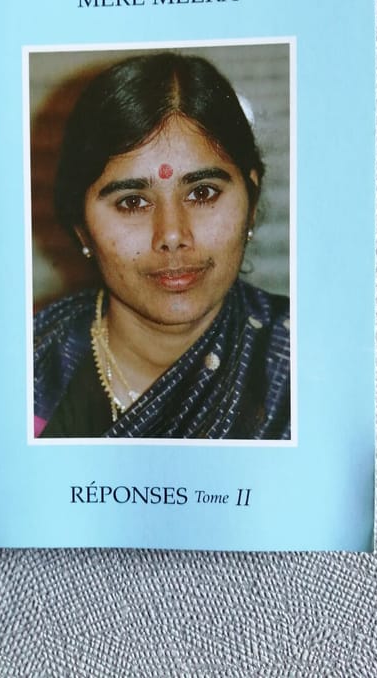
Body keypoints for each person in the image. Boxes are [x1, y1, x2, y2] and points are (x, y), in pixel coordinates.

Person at [33, 52, 290, 439]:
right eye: (132, 202)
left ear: (251, 202)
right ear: (82, 228)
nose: (172, 235)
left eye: (202, 193)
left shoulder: (304, 367)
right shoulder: (25, 369)